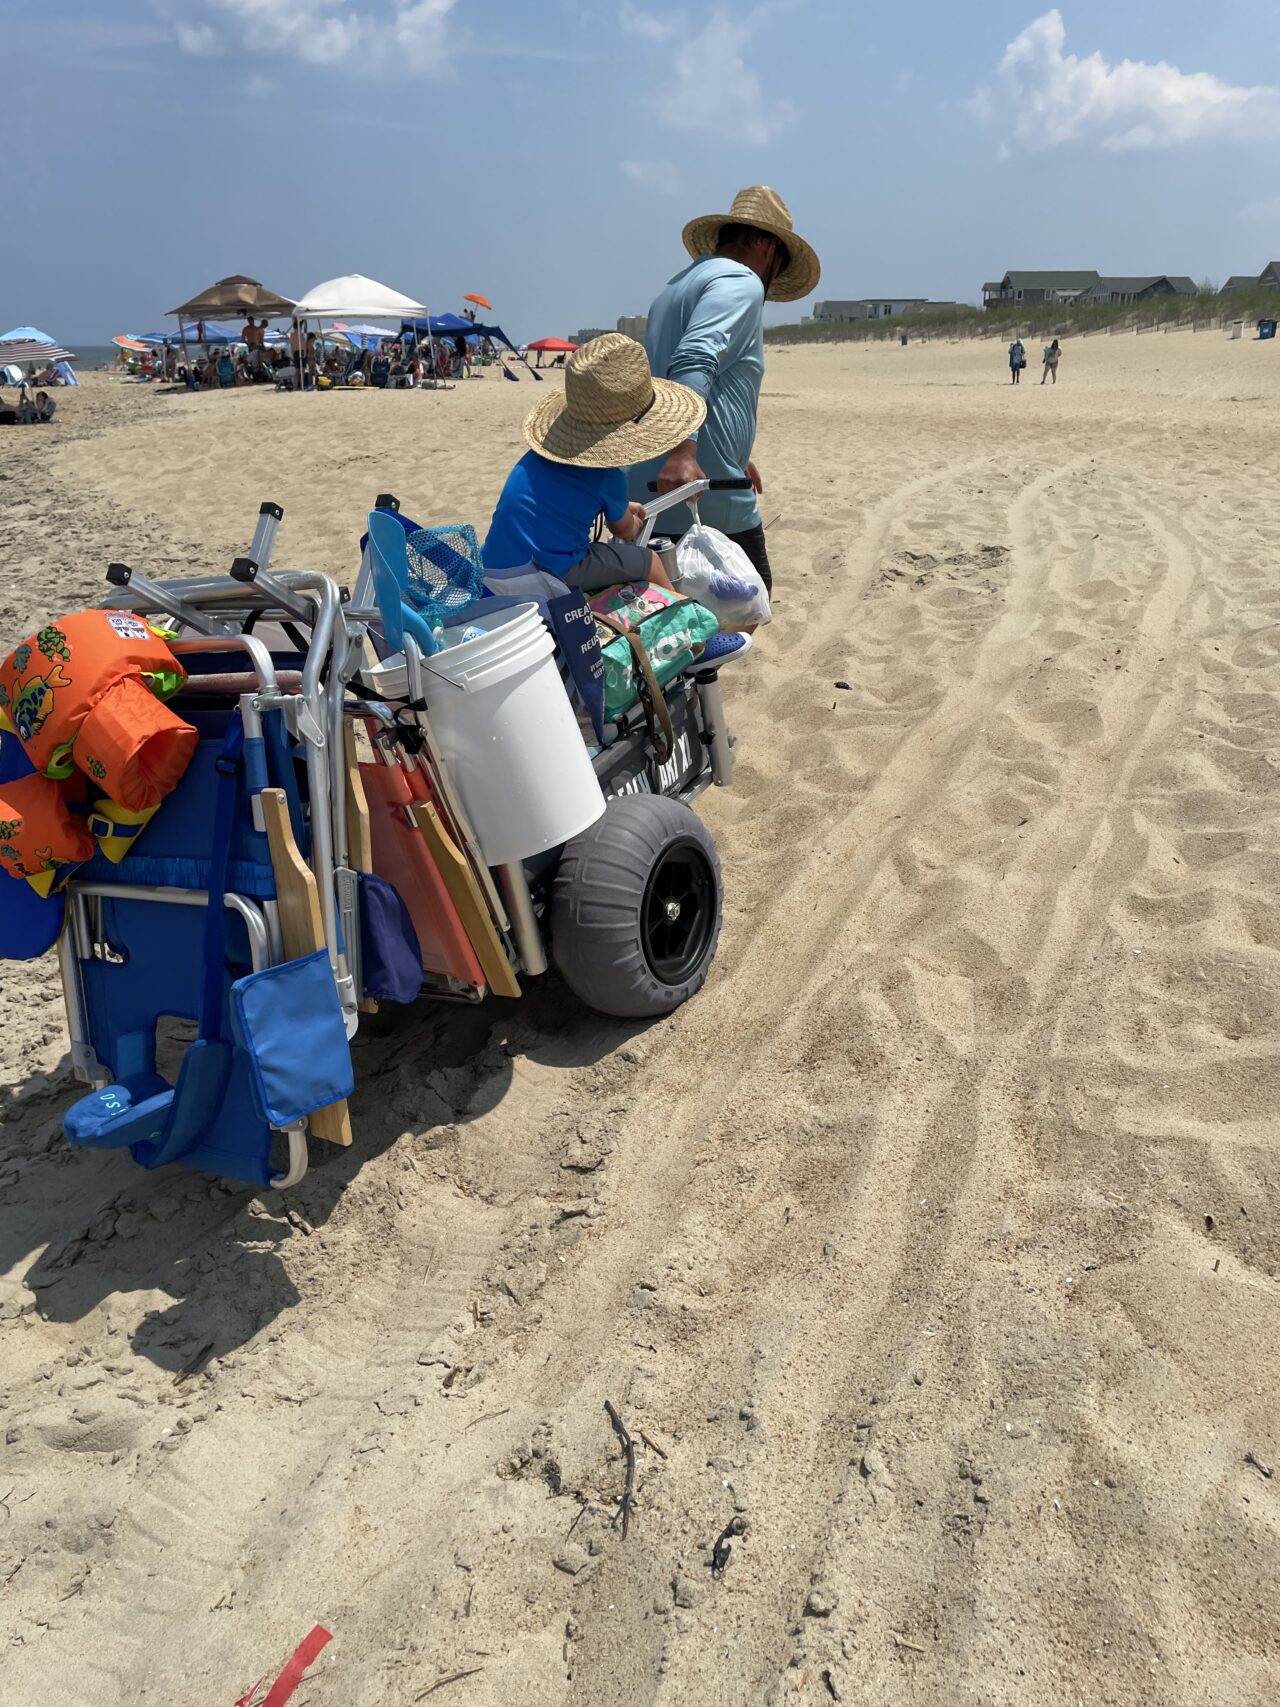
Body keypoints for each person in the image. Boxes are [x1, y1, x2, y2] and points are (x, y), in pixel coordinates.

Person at [629, 185, 820, 597]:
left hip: (648, 490)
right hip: (699, 492)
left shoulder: (677, 285)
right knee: (750, 598)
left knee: (675, 624)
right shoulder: (742, 281)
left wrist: (735, 453)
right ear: (769, 248)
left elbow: (669, 375)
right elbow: (695, 359)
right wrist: (684, 451)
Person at [483, 333, 705, 596]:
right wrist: (633, 522)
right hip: (549, 574)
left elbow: (559, 504)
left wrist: (620, 507)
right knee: (650, 562)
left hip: (493, 570)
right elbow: (622, 528)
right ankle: (689, 620)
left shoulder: (535, 458)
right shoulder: (608, 475)